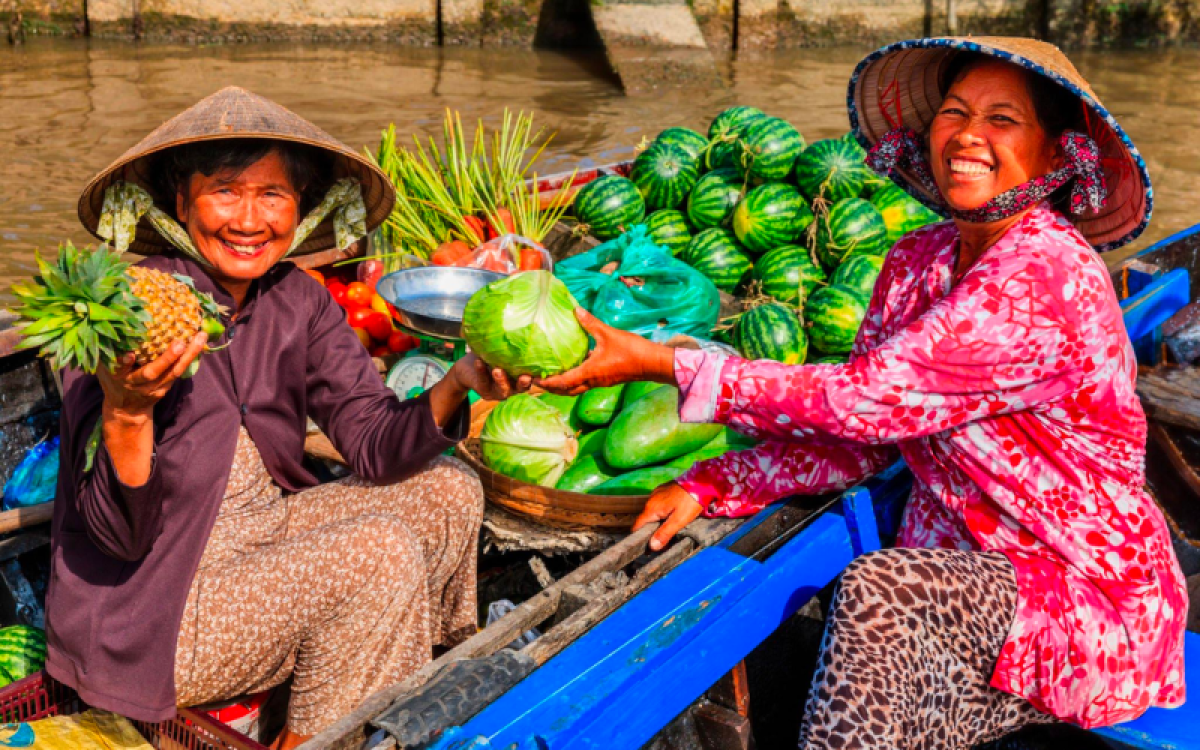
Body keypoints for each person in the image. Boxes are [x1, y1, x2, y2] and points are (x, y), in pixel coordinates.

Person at [540, 38, 1187, 748]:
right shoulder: (916, 260)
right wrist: (719, 480)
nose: (969, 135)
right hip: (964, 592)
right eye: (955, 112)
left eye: (1003, 120)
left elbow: (863, 398)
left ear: (1057, 157)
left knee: (877, 592)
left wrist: (661, 362)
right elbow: (858, 442)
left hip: (1077, 606)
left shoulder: (1047, 277)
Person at [47, 87, 530, 750]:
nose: (251, 219)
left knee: (448, 490)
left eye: (272, 195)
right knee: (378, 554)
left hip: (259, 537)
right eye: (224, 191)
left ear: (301, 207)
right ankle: (316, 738)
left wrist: (460, 380)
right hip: (152, 607)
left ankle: (422, 685)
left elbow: (376, 445)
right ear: (180, 203)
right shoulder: (126, 312)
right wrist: (128, 414)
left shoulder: (297, 299)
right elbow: (116, 542)